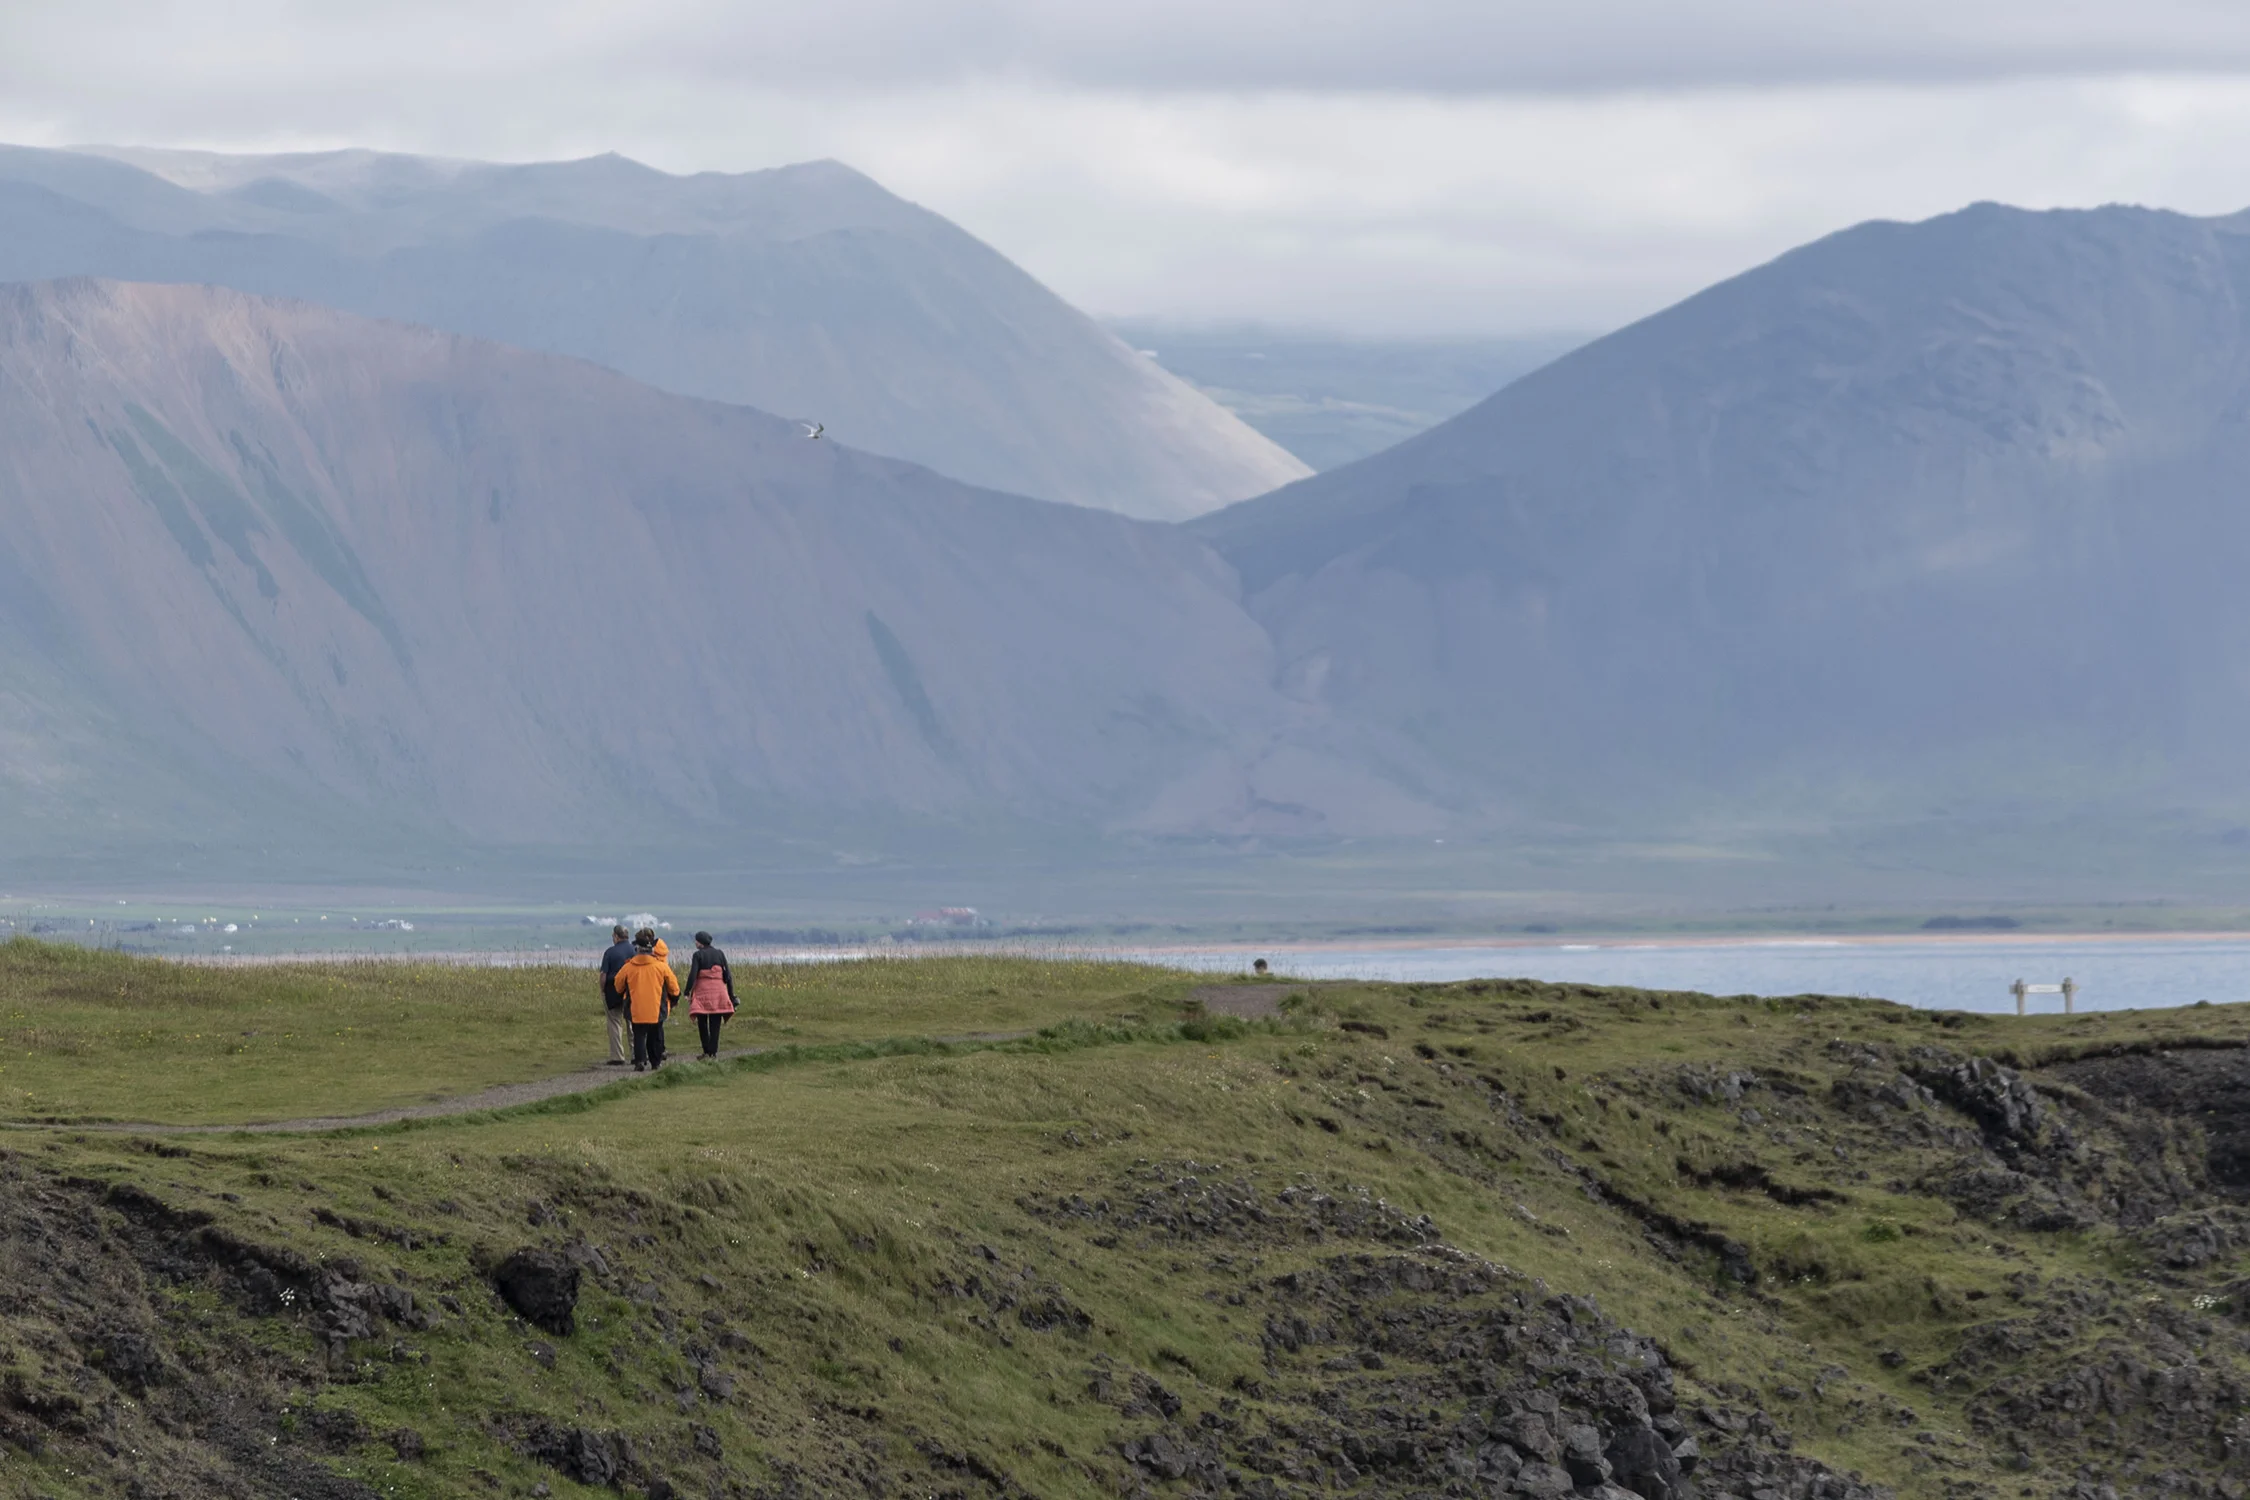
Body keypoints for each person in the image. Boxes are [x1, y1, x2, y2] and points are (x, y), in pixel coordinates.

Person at [611, 927, 680, 1071]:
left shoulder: (629, 967)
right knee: (654, 1034)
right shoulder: (661, 967)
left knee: (639, 1034)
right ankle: (655, 1062)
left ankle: (640, 1061)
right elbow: (674, 987)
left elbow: (618, 985)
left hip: (635, 1007)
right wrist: (674, 997)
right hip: (656, 1006)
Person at [683, 931, 738, 1059]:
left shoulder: (698, 955)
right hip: (719, 992)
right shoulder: (720, 953)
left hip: (702, 993)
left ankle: (706, 1050)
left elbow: (693, 974)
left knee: (702, 1022)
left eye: (696, 941)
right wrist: (731, 995)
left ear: (700, 942)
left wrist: (687, 991)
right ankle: (713, 1052)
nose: (695, 943)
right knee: (715, 1023)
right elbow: (728, 976)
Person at [598, 924, 635, 1065]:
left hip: (612, 990)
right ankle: (636, 1053)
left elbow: (603, 975)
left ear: (616, 936)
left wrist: (602, 990)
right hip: (631, 991)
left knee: (614, 1022)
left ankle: (617, 1056)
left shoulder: (610, 952)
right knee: (632, 1022)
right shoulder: (634, 951)